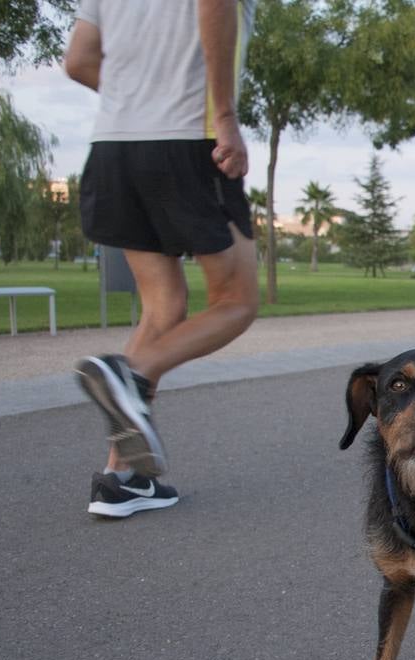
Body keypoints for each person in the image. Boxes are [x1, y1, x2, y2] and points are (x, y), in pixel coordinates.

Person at [65, 0, 259, 517]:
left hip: (115, 146)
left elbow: (79, 59)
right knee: (236, 302)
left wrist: (139, 103)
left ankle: (120, 477)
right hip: (188, 142)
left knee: (164, 305)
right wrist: (224, 115)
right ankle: (131, 372)